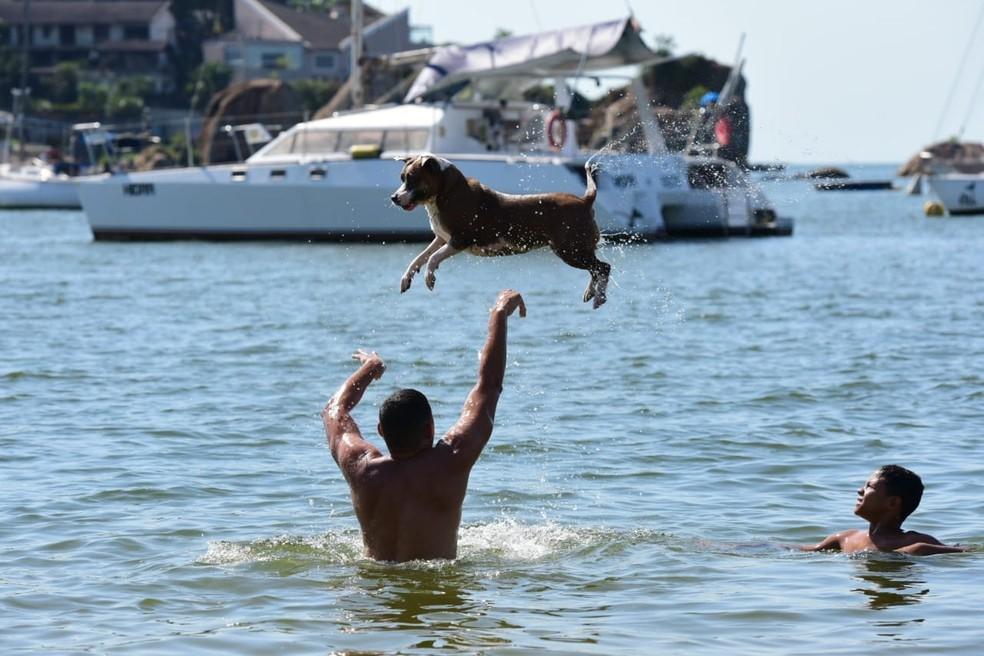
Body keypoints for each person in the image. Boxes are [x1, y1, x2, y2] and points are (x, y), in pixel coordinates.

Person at [323, 289, 526, 562]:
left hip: (377, 593)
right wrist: (499, 314)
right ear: (430, 428)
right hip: (437, 593)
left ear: (381, 431)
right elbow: (488, 387)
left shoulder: (360, 467)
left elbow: (334, 412)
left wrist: (370, 368)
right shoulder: (451, 460)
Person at [802, 465, 966, 555]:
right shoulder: (844, 538)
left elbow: (966, 553)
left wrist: (920, 550)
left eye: (869, 487)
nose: (860, 490)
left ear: (893, 503)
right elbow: (800, 552)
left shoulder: (915, 543)